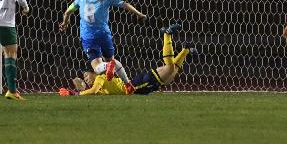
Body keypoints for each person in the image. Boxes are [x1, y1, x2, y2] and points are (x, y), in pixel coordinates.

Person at [58, 0, 147, 93]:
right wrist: (139, 14)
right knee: (112, 61)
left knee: (98, 67)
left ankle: (107, 68)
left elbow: (68, 12)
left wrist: (65, 23)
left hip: (89, 37)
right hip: (105, 35)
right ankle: (128, 84)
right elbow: (125, 4)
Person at [59, 23, 190, 96]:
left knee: (170, 68)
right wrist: (78, 90)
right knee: (171, 75)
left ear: (94, 72)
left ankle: (167, 35)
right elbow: (94, 92)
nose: (86, 79)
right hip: (137, 85)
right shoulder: (101, 88)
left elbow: (92, 91)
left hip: (136, 86)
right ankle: (186, 50)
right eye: (85, 78)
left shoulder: (99, 79)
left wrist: (75, 94)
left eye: (87, 75)